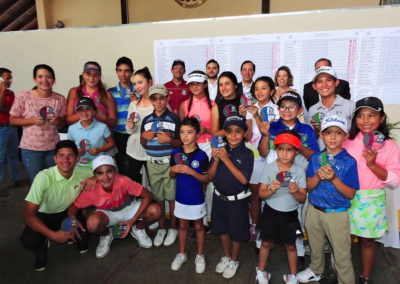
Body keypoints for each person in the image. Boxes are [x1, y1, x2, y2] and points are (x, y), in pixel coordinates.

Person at [343, 97, 400, 284]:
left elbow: (395, 180)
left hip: (372, 200)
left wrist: (373, 165)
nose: (365, 120)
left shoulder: (389, 146)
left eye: (371, 115)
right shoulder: (348, 141)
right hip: (347, 197)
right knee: (345, 240)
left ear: (382, 117)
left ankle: (365, 277)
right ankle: (342, 273)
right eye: (360, 116)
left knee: (367, 241)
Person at [297, 116, 359, 284]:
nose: (332, 137)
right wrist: (318, 175)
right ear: (321, 135)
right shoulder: (316, 158)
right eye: (328, 133)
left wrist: (333, 179)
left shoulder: (349, 162)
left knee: (342, 255)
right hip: (314, 210)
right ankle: (316, 270)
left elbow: (350, 193)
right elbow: (309, 186)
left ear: (345, 136)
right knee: (315, 248)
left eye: (338, 133)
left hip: (336, 214)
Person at [68, 155, 161, 258]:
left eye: (109, 171)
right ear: (94, 176)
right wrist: (72, 219)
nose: (106, 177)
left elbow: (147, 195)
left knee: (156, 210)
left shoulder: (123, 181)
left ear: (115, 171)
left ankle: (137, 228)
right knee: (92, 224)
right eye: (100, 173)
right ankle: (107, 234)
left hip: (129, 209)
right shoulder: (91, 189)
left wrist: (133, 219)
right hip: (108, 214)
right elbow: (74, 206)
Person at [20, 140, 93, 271]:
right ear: (54, 159)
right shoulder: (43, 177)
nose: (66, 160)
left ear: (77, 159)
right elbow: (28, 216)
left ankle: (70, 234)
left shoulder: (84, 172)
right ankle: (41, 249)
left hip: (68, 213)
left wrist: (95, 178)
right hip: (44, 215)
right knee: (29, 240)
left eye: (70, 155)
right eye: (61, 155)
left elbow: (108, 174)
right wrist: (53, 235)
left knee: (83, 236)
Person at [256, 130, 307, 284]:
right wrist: (271, 189)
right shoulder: (269, 168)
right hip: (270, 214)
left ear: (296, 152)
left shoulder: (298, 172)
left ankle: (292, 276)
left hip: (290, 216)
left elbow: (302, 198)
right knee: (266, 242)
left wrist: (296, 191)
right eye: (281, 149)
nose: (284, 154)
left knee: (291, 245)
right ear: (275, 149)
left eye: (289, 150)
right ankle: (261, 271)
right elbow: (260, 194)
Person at [208, 114, 254, 279]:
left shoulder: (247, 154)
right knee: (222, 230)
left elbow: (243, 179)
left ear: (244, 133)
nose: (233, 136)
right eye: (229, 131)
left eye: (238, 131)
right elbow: (210, 177)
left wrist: (226, 160)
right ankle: (227, 256)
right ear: (224, 133)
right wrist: (215, 160)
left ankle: (234, 259)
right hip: (219, 197)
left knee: (237, 232)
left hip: (237, 201)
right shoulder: (220, 150)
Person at [9, 64, 67, 183]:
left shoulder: (59, 99)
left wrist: (57, 121)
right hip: (31, 149)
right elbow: (12, 119)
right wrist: (32, 121)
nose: (44, 80)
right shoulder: (24, 96)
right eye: (40, 77)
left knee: (54, 182)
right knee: (37, 183)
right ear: (35, 79)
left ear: (53, 80)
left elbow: (63, 121)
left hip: (53, 148)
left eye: (48, 77)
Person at [141, 84, 181, 247]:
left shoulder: (174, 118)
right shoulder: (147, 120)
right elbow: (144, 144)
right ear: (151, 100)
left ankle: (173, 228)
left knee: (171, 198)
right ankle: (162, 228)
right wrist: (144, 136)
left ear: (167, 99)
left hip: (168, 163)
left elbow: (180, 143)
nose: (158, 102)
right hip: (152, 164)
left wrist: (170, 140)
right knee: (158, 197)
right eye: (155, 99)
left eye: (161, 98)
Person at [169, 117, 209, 273]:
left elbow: (206, 179)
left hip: (196, 198)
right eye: (182, 132)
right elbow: (172, 175)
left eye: (189, 132)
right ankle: (182, 253)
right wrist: (173, 170)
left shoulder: (202, 156)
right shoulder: (174, 153)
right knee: (183, 225)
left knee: (199, 226)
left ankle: (200, 255)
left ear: (197, 133)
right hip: (181, 197)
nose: (185, 136)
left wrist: (192, 172)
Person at [244, 76, 279, 241]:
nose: (259, 92)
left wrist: (256, 116)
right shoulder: (251, 108)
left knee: (270, 191)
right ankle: (254, 224)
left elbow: (270, 131)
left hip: (271, 155)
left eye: (263, 88)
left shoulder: (278, 109)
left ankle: (268, 226)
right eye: (256, 88)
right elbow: (248, 133)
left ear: (271, 91)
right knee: (255, 192)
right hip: (254, 156)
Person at [306, 66, 355, 150]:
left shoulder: (350, 106)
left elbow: (356, 135)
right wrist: (317, 131)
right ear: (314, 86)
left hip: (346, 158)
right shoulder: (313, 110)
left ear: (336, 82)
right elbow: (311, 139)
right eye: (319, 81)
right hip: (322, 159)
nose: (324, 85)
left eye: (328, 80)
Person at [107, 56, 137, 175]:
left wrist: (136, 101)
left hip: (134, 133)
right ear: (116, 72)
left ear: (132, 72)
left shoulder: (138, 90)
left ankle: (136, 191)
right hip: (118, 134)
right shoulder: (111, 92)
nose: (123, 74)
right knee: (121, 165)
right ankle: (125, 192)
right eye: (120, 70)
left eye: (126, 71)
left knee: (135, 166)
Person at [66, 61, 117, 129]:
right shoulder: (74, 92)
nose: (92, 78)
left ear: (100, 76)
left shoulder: (107, 95)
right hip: (79, 136)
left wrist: (103, 118)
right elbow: (68, 120)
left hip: (100, 137)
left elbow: (113, 123)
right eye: (88, 74)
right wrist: (86, 112)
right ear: (83, 74)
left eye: (95, 75)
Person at [125, 67, 154, 183]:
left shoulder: (159, 103)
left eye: (140, 82)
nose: (137, 86)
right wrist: (131, 126)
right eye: (134, 83)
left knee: (154, 188)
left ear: (149, 82)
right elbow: (129, 131)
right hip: (133, 150)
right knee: (130, 185)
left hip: (152, 152)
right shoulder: (133, 104)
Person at [67, 97, 115, 166]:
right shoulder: (72, 128)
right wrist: (75, 151)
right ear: (77, 112)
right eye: (80, 110)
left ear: (94, 111)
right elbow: (69, 146)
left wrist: (99, 149)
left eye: (88, 109)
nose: (84, 112)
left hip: (98, 164)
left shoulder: (102, 127)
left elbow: (111, 143)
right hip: (79, 164)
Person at [0, 67, 22, 196]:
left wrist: (4, 108)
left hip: (11, 127)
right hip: (1, 128)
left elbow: (13, 110)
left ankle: (17, 179)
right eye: (8, 78)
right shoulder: (4, 92)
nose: (10, 81)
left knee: (13, 156)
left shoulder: (11, 93)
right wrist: (2, 89)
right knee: (0, 159)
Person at [211, 71, 250, 138]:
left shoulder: (244, 102)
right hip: (223, 145)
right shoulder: (216, 107)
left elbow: (249, 134)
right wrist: (233, 126)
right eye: (220, 85)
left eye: (227, 84)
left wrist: (243, 118)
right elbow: (214, 135)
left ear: (235, 85)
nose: (223, 88)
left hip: (242, 143)